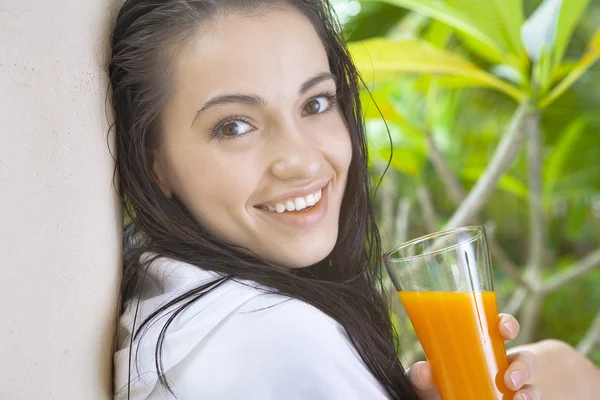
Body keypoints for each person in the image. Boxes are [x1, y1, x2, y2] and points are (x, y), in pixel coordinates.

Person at [108, 1, 545, 399]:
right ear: (155, 164)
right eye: (235, 127)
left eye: (315, 104)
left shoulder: (168, 301)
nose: (299, 161)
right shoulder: (282, 339)